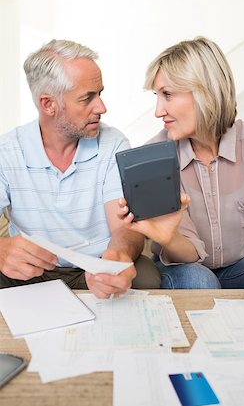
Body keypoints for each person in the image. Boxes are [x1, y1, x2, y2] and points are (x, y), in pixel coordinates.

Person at [118, 36, 244, 289]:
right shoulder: (154, 156)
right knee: (199, 280)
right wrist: (169, 238)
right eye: (157, 96)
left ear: (205, 92)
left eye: (168, 95)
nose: (158, 111)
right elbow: (189, 254)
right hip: (183, 268)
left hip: (240, 266)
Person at [0, 39, 160, 297]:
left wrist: (117, 255)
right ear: (48, 104)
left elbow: (123, 228)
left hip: (94, 271)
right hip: (28, 273)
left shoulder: (113, 143)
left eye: (100, 93)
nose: (101, 107)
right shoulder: (7, 151)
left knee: (146, 277)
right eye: (87, 98)